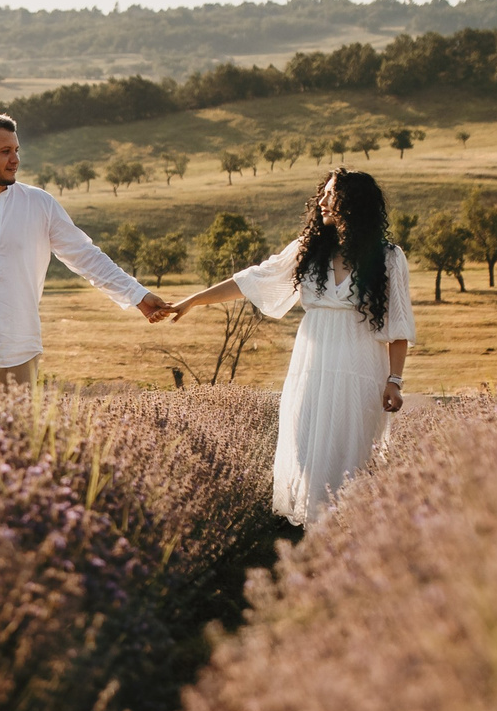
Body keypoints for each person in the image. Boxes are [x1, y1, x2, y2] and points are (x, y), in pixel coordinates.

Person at [158, 168, 413, 523]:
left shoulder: (387, 257)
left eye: (331, 194)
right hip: (311, 371)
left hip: (361, 373)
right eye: (322, 194)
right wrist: (193, 300)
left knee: (353, 460)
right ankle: (316, 549)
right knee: (310, 456)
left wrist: (395, 380)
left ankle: (354, 552)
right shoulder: (309, 250)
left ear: (353, 202)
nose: (322, 201)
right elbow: (251, 280)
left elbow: (398, 326)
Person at [0, 111, 171, 386]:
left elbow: (86, 257)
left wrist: (137, 295)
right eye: (5, 152)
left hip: (21, 351)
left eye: (17, 150)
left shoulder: (39, 205)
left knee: (17, 435)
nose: (15, 160)